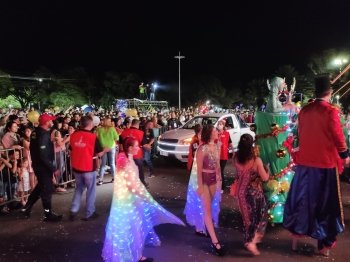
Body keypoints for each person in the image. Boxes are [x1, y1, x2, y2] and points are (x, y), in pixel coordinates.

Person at [283, 74, 350, 256]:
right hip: (325, 166)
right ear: (329, 92)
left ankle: (295, 240)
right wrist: (345, 154)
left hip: (305, 164)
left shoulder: (305, 110)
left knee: (301, 202)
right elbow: (338, 136)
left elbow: (301, 134)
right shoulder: (331, 112)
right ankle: (323, 246)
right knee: (325, 206)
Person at [101, 137, 185, 262]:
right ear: (130, 148)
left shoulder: (125, 157)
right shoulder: (124, 161)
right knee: (133, 227)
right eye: (136, 146)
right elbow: (131, 185)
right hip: (129, 201)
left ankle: (135, 254)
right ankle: (136, 256)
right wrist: (145, 196)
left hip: (130, 199)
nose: (138, 148)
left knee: (134, 226)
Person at [184, 124, 224, 256]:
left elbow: (218, 166)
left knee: (211, 209)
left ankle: (207, 229)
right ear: (210, 134)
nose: (217, 132)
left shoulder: (217, 146)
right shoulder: (202, 149)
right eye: (214, 131)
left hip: (213, 181)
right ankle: (215, 241)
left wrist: (220, 181)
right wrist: (199, 187)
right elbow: (198, 170)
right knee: (207, 211)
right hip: (205, 182)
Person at [21, 113, 63, 222]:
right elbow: (43, 155)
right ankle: (48, 215)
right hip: (43, 166)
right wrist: (53, 168)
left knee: (40, 186)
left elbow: (34, 148)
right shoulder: (43, 134)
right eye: (50, 121)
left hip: (38, 164)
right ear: (46, 122)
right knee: (47, 189)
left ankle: (27, 207)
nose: (52, 122)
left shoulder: (35, 132)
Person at [233, 134, 269, 255]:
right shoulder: (256, 160)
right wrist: (266, 169)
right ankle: (250, 241)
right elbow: (265, 178)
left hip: (240, 192)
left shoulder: (235, 158)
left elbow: (238, 174)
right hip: (254, 194)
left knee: (246, 218)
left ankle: (248, 239)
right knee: (257, 217)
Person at [69, 116, 110, 221]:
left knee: (78, 188)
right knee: (91, 190)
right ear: (91, 125)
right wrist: (106, 149)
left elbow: (71, 149)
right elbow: (99, 153)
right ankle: (89, 212)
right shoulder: (93, 137)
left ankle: (73, 209)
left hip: (77, 167)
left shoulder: (73, 135)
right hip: (88, 167)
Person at [120, 119, 148, 187]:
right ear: (137, 125)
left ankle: (129, 184)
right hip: (137, 155)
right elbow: (144, 144)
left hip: (127, 155)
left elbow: (120, 144)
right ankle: (142, 182)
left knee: (128, 170)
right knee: (139, 169)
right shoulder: (141, 133)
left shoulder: (123, 132)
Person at [96, 117, 119, 185]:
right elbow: (117, 138)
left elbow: (95, 137)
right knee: (112, 163)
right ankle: (113, 178)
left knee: (103, 164)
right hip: (111, 147)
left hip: (102, 147)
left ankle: (101, 179)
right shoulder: (112, 129)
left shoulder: (99, 129)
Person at [217, 120, 233, 192]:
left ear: (223, 125)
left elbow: (230, 143)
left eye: (220, 124)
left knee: (221, 170)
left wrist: (233, 151)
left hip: (224, 155)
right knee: (217, 171)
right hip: (216, 155)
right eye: (218, 124)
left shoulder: (227, 134)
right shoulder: (215, 134)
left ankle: (222, 186)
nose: (219, 125)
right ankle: (218, 185)